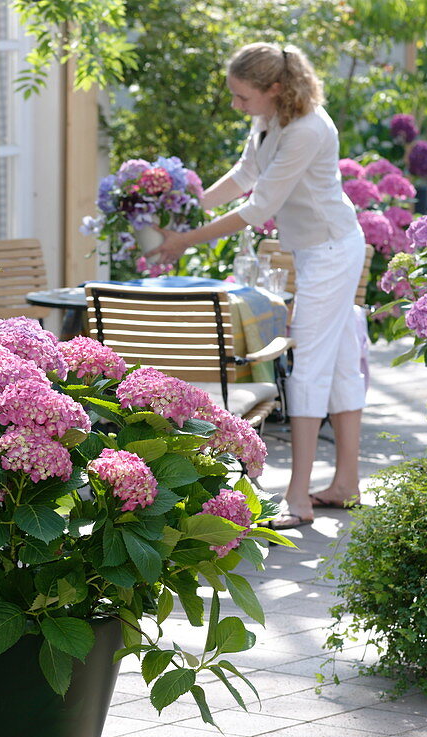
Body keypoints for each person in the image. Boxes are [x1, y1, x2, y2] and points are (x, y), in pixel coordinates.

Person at [152, 42, 365, 529]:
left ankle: (297, 500)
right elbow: (245, 174)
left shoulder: (308, 129)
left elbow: (258, 207)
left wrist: (184, 239)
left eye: (242, 97)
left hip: (332, 251)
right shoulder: (270, 118)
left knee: (308, 365)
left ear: (274, 88)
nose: (236, 105)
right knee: (338, 365)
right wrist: (190, 209)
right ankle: (346, 483)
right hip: (317, 251)